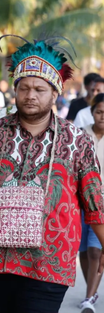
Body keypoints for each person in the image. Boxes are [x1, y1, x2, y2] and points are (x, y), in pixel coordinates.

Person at [0, 37, 104, 313]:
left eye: (40, 89)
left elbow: (94, 201)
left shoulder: (77, 140)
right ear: (15, 90)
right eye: (24, 88)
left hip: (51, 260)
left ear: (55, 93)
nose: (31, 95)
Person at [79, 93, 104, 313]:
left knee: (97, 251)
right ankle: (90, 289)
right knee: (84, 251)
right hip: (79, 202)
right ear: (92, 112)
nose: (102, 116)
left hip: (103, 204)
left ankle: (89, 296)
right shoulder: (81, 135)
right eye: (99, 112)